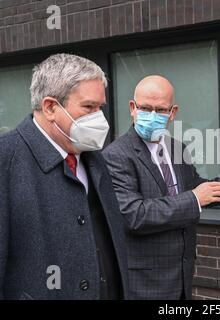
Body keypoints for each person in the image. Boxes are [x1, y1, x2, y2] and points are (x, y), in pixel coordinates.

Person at [102, 75, 220, 300]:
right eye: (145, 108)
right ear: (132, 108)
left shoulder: (176, 148)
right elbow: (133, 214)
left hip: (181, 274)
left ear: (172, 113)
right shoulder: (116, 155)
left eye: (160, 110)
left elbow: (200, 189)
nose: (152, 115)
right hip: (145, 282)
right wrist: (193, 199)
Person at [0, 54, 129, 300]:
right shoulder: (6, 159)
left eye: (100, 108)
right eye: (88, 107)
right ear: (50, 107)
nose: (99, 119)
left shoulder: (94, 158)